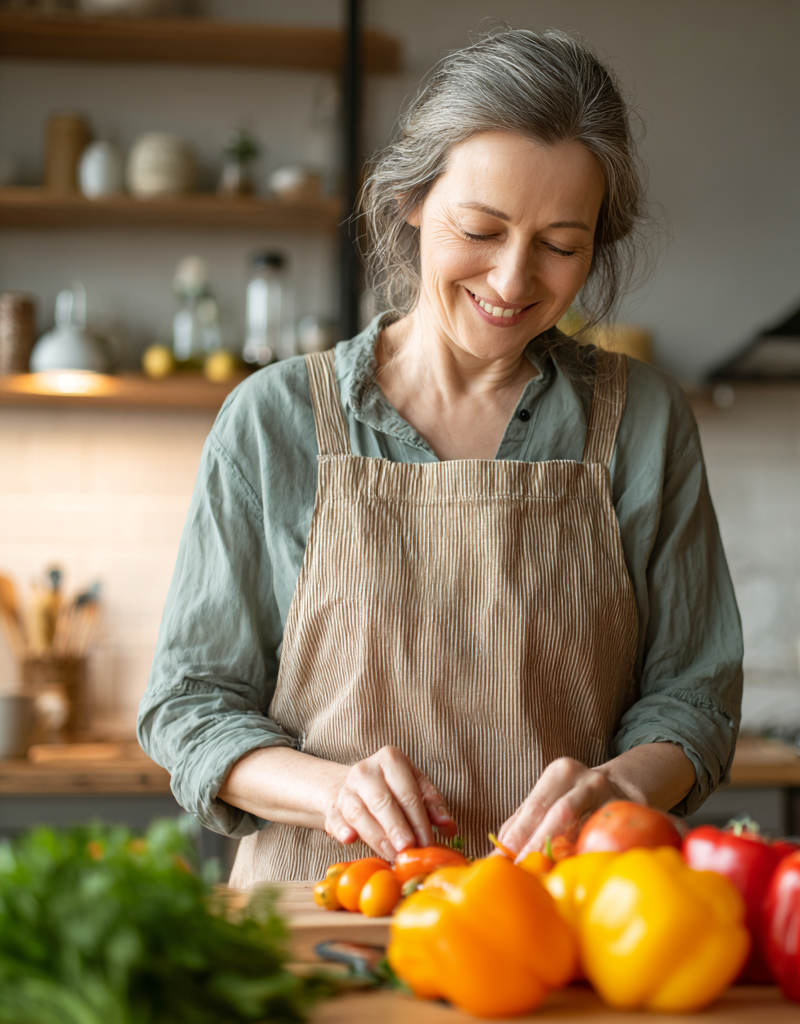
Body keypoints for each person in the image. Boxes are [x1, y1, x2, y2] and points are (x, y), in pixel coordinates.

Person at [138, 26, 743, 886]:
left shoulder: (640, 420)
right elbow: (190, 708)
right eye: (482, 229)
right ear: (413, 199)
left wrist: (617, 786)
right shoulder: (272, 423)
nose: (511, 280)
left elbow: (696, 697)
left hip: (561, 926)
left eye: (560, 246)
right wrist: (334, 791)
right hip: (323, 919)